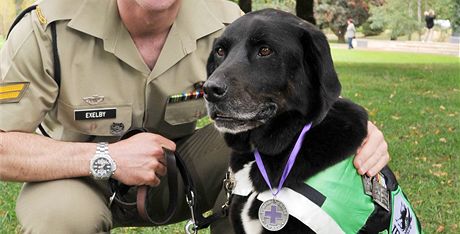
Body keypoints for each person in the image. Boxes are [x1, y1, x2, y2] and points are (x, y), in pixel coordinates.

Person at [0, 0, 390, 233]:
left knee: (268, 153)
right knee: (58, 217)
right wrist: (106, 157)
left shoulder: (222, 18)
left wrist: (356, 129)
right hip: (78, 174)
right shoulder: (47, 27)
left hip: (179, 167)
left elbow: (295, 69)